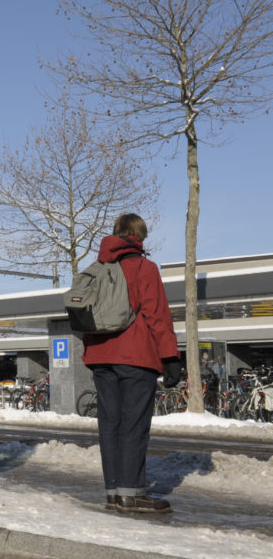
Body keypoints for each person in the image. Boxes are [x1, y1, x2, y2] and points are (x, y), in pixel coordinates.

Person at [82, 213, 181, 515]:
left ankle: (114, 493)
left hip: (101, 357)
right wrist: (170, 356)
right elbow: (157, 315)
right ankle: (133, 494)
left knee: (110, 425)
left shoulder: (96, 268)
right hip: (137, 357)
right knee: (134, 425)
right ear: (140, 236)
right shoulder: (144, 268)